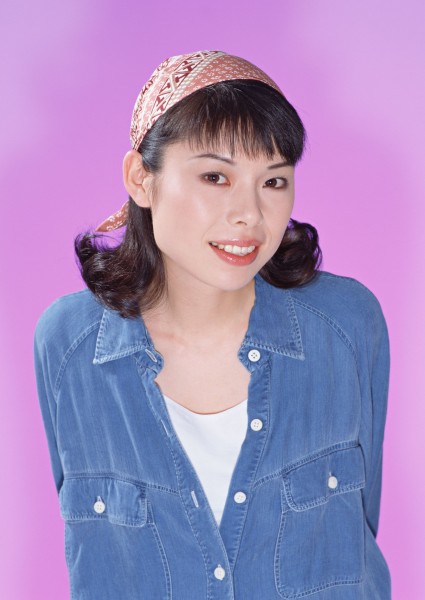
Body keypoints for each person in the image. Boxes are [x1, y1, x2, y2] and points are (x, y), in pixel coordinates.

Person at [33, 50, 391, 599]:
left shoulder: (346, 325)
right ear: (141, 179)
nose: (250, 214)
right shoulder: (69, 344)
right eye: (215, 176)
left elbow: (360, 531)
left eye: (274, 181)